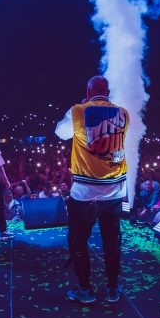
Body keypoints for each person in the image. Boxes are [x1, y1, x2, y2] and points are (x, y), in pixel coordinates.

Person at [55, 75, 129, 304]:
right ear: (108, 92)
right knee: (111, 241)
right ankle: (113, 288)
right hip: (114, 190)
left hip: (85, 191)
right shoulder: (123, 113)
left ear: (88, 92)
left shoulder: (78, 111)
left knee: (78, 241)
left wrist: (84, 106)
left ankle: (85, 290)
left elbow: (60, 132)